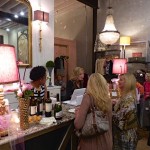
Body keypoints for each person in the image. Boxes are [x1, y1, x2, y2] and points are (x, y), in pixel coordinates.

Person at [74, 73, 112, 150]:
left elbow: (78, 124)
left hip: (91, 143)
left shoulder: (88, 97)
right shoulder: (108, 99)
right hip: (106, 140)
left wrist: (78, 113)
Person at [113, 73, 138, 150]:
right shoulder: (125, 95)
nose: (118, 81)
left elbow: (120, 119)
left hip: (126, 136)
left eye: (121, 80)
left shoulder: (128, 98)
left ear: (128, 82)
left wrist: (107, 113)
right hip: (122, 134)